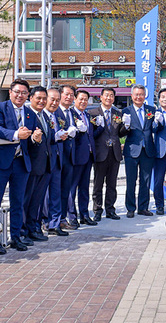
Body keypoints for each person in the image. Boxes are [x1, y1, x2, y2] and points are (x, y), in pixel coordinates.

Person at [0, 78, 35, 253]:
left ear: (28, 95)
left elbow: (34, 132)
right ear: (10, 92)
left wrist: (36, 136)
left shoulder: (30, 113)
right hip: (1, 162)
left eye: (24, 93)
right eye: (17, 92)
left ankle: (15, 236)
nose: (20, 95)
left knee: (18, 203)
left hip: (21, 163)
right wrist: (16, 134)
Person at [119, 84, 156, 217]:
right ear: (132, 96)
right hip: (132, 150)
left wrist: (158, 123)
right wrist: (126, 126)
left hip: (148, 150)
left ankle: (143, 207)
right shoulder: (125, 111)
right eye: (136, 94)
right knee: (131, 180)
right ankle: (130, 208)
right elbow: (121, 133)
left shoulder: (151, 110)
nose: (139, 97)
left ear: (145, 95)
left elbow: (155, 129)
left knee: (145, 180)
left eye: (141, 94)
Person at [88, 87, 123, 220]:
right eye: (106, 95)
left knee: (112, 183)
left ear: (114, 98)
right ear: (101, 97)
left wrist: (126, 127)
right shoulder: (92, 113)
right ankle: (97, 210)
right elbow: (91, 134)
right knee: (98, 183)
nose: (109, 98)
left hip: (114, 152)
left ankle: (110, 209)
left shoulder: (117, 113)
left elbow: (120, 133)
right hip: (100, 152)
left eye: (111, 96)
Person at [48, 85, 77, 235]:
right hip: (54, 156)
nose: (69, 97)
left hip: (68, 156)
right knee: (52, 191)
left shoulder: (72, 112)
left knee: (64, 189)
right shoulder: (53, 112)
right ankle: (50, 220)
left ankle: (61, 218)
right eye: (66, 94)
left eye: (72, 95)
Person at [27, 86, 56, 239]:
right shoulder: (27, 115)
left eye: (44, 98)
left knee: (37, 200)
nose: (41, 101)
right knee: (29, 200)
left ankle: (34, 227)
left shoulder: (44, 116)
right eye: (38, 98)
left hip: (46, 165)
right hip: (32, 165)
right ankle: (26, 230)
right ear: (30, 98)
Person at [69, 89, 96, 226]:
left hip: (88, 156)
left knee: (85, 188)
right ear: (75, 99)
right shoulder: (70, 114)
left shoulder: (88, 115)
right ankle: (72, 216)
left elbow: (91, 134)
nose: (83, 102)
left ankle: (84, 214)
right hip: (76, 156)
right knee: (72, 188)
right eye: (81, 99)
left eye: (86, 99)